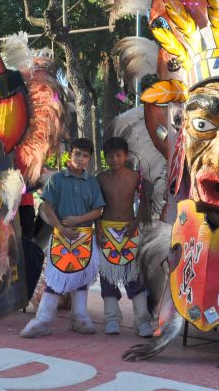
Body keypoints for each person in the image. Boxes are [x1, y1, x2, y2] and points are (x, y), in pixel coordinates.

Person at [20, 138, 105, 338]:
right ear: (70, 154)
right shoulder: (57, 180)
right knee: (55, 278)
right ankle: (43, 319)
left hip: (84, 237)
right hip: (61, 236)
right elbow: (46, 206)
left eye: (85, 155)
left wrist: (77, 220)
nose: (80, 158)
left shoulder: (92, 182)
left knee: (82, 277)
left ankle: (80, 317)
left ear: (90, 159)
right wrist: (60, 227)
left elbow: (98, 211)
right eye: (77, 154)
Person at [97, 137, 153, 337]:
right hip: (106, 229)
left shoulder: (136, 177)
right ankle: (111, 318)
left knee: (135, 276)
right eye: (110, 156)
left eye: (118, 155)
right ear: (105, 157)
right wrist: (98, 230)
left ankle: (142, 320)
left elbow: (145, 203)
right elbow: (96, 207)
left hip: (130, 229)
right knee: (107, 277)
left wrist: (136, 223)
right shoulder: (100, 178)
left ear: (126, 156)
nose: (115, 159)